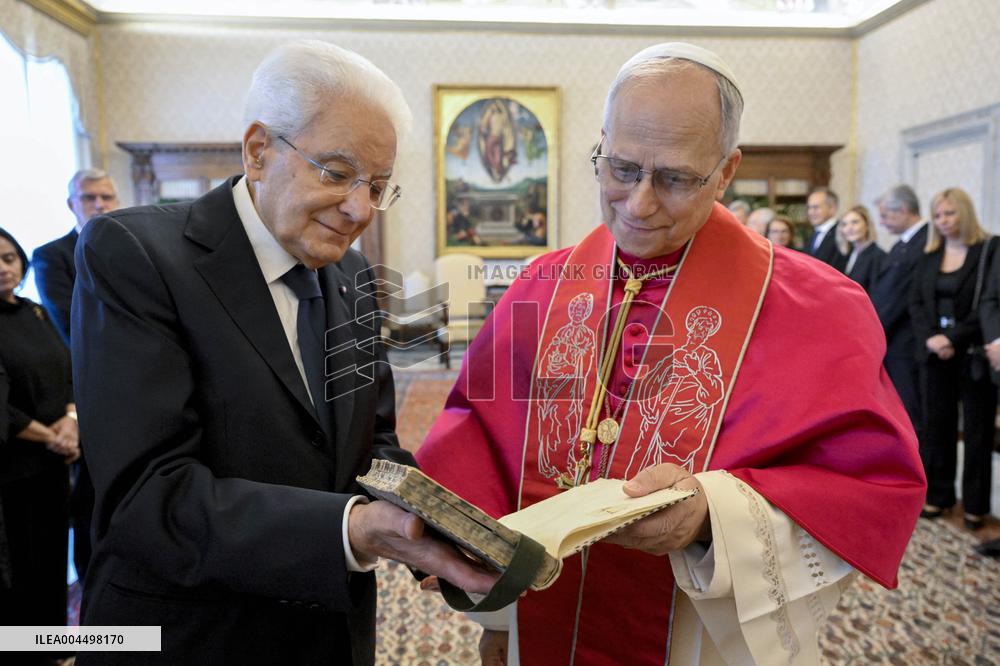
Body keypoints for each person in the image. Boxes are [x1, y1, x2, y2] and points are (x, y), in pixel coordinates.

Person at [416, 42, 925, 665]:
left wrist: (711, 514)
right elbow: (482, 449)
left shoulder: (820, 307)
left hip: (698, 639)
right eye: (622, 169)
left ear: (727, 169)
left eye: (676, 178)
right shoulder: (541, 288)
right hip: (543, 626)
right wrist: (498, 617)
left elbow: (864, 487)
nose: (640, 204)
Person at [71, 41, 494, 665]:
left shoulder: (353, 277)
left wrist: (439, 517)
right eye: (336, 171)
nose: (359, 208)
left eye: (377, 185)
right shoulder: (135, 255)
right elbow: (147, 494)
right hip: (192, 637)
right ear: (259, 150)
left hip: (329, 634)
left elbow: (369, 445)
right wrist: (347, 529)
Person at [32, 169, 118, 583]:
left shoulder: (131, 250)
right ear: (72, 204)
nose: (99, 204)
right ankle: (88, 597)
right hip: (80, 392)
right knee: (89, 505)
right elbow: (71, 324)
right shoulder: (51, 255)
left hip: (132, 388)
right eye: (89, 197)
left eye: (106, 196)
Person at [0, 227, 79, 658]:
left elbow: (67, 368)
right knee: (19, 568)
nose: (3, 267)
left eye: (10, 257)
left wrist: (70, 420)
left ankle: (56, 647)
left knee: (51, 561)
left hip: (53, 463)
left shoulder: (35, 312)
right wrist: (50, 435)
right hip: (12, 466)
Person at [909, 187, 995, 531]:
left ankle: (975, 505)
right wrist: (932, 338)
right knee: (936, 428)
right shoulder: (929, 255)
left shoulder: (989, 250)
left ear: (965, 213)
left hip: (972, 353)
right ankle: (939, 495)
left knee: (977, 433)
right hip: (934, 354)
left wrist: (952, 338)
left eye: (949, 214)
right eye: (938, 216)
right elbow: (915, 302)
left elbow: (989, 304)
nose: (943, 222)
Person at [869, 184, 928, 448]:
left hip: (905, 342)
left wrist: (872, 331)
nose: (882, 223)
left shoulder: (923, 242)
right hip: (892, 341)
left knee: (912, 413)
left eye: (885, 216)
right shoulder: (902, 244)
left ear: (903, 210)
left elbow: (899, 296)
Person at [837, 205, 885, 294]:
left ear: (867, 225)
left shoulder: (878, 256)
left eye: (855, 222)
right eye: (844, 224)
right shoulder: (848, 254)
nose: (849, 228)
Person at [806, 186, 847, 270]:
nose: (810, 212)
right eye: (809, 207)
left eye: (816, 207)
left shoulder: (842, 232)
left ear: (832, 208)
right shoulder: (813, 234)